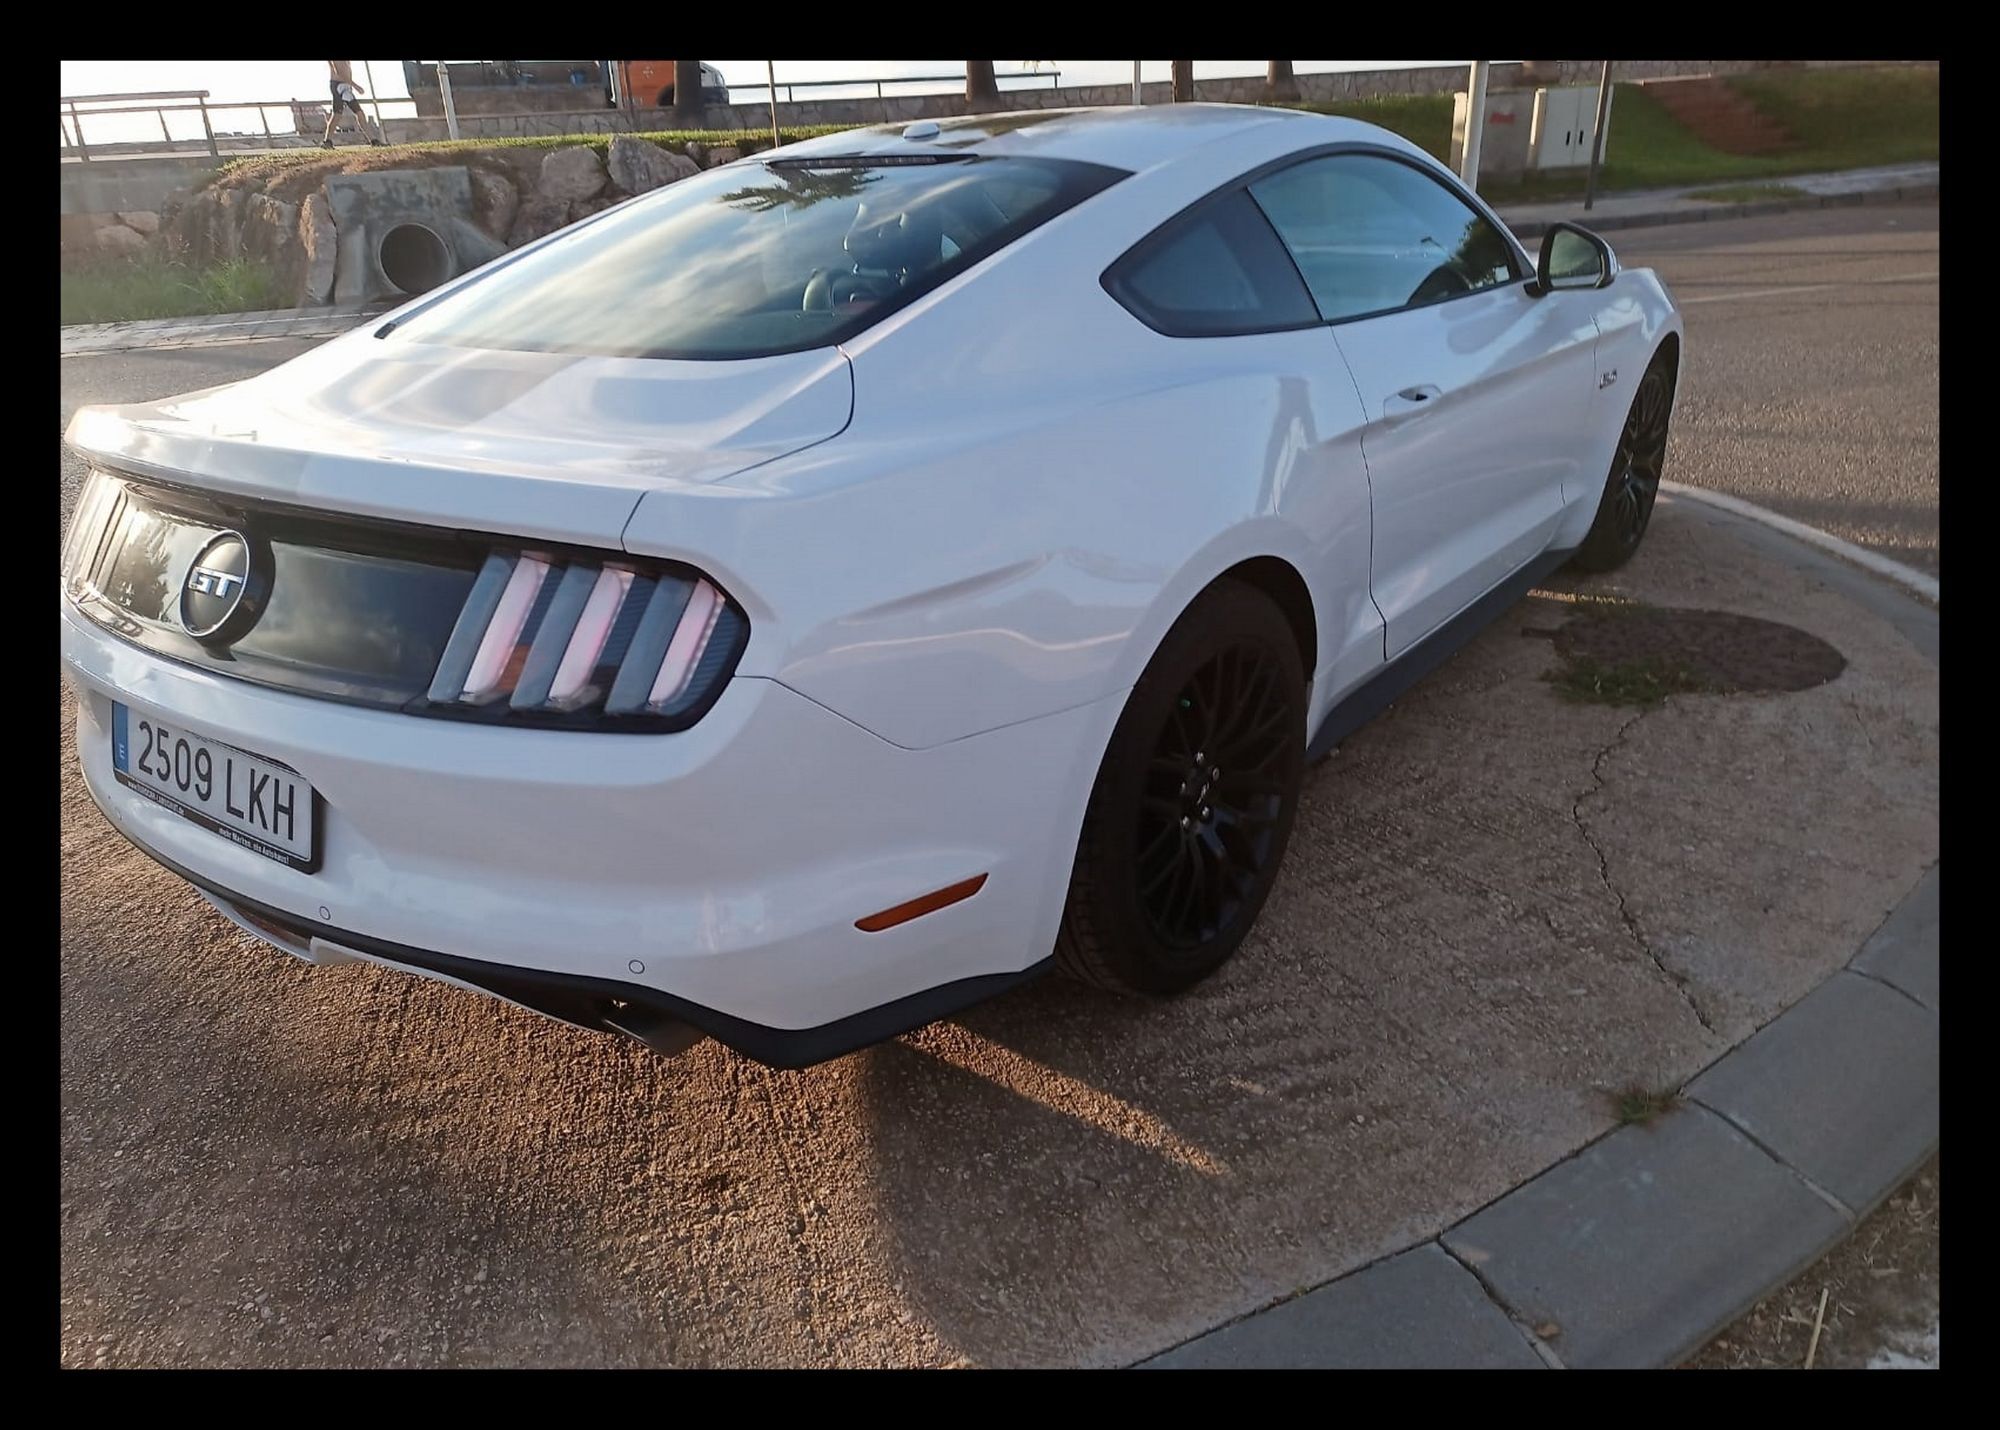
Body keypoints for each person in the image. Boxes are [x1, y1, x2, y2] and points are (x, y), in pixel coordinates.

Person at [322, 60, 386, 148]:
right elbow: (339, 73)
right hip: (338, 86)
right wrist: (356, 86)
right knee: (337, 114)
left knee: (359, 113)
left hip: (346, 87)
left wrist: (351, 85)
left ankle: (373, 140)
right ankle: (327, 141)